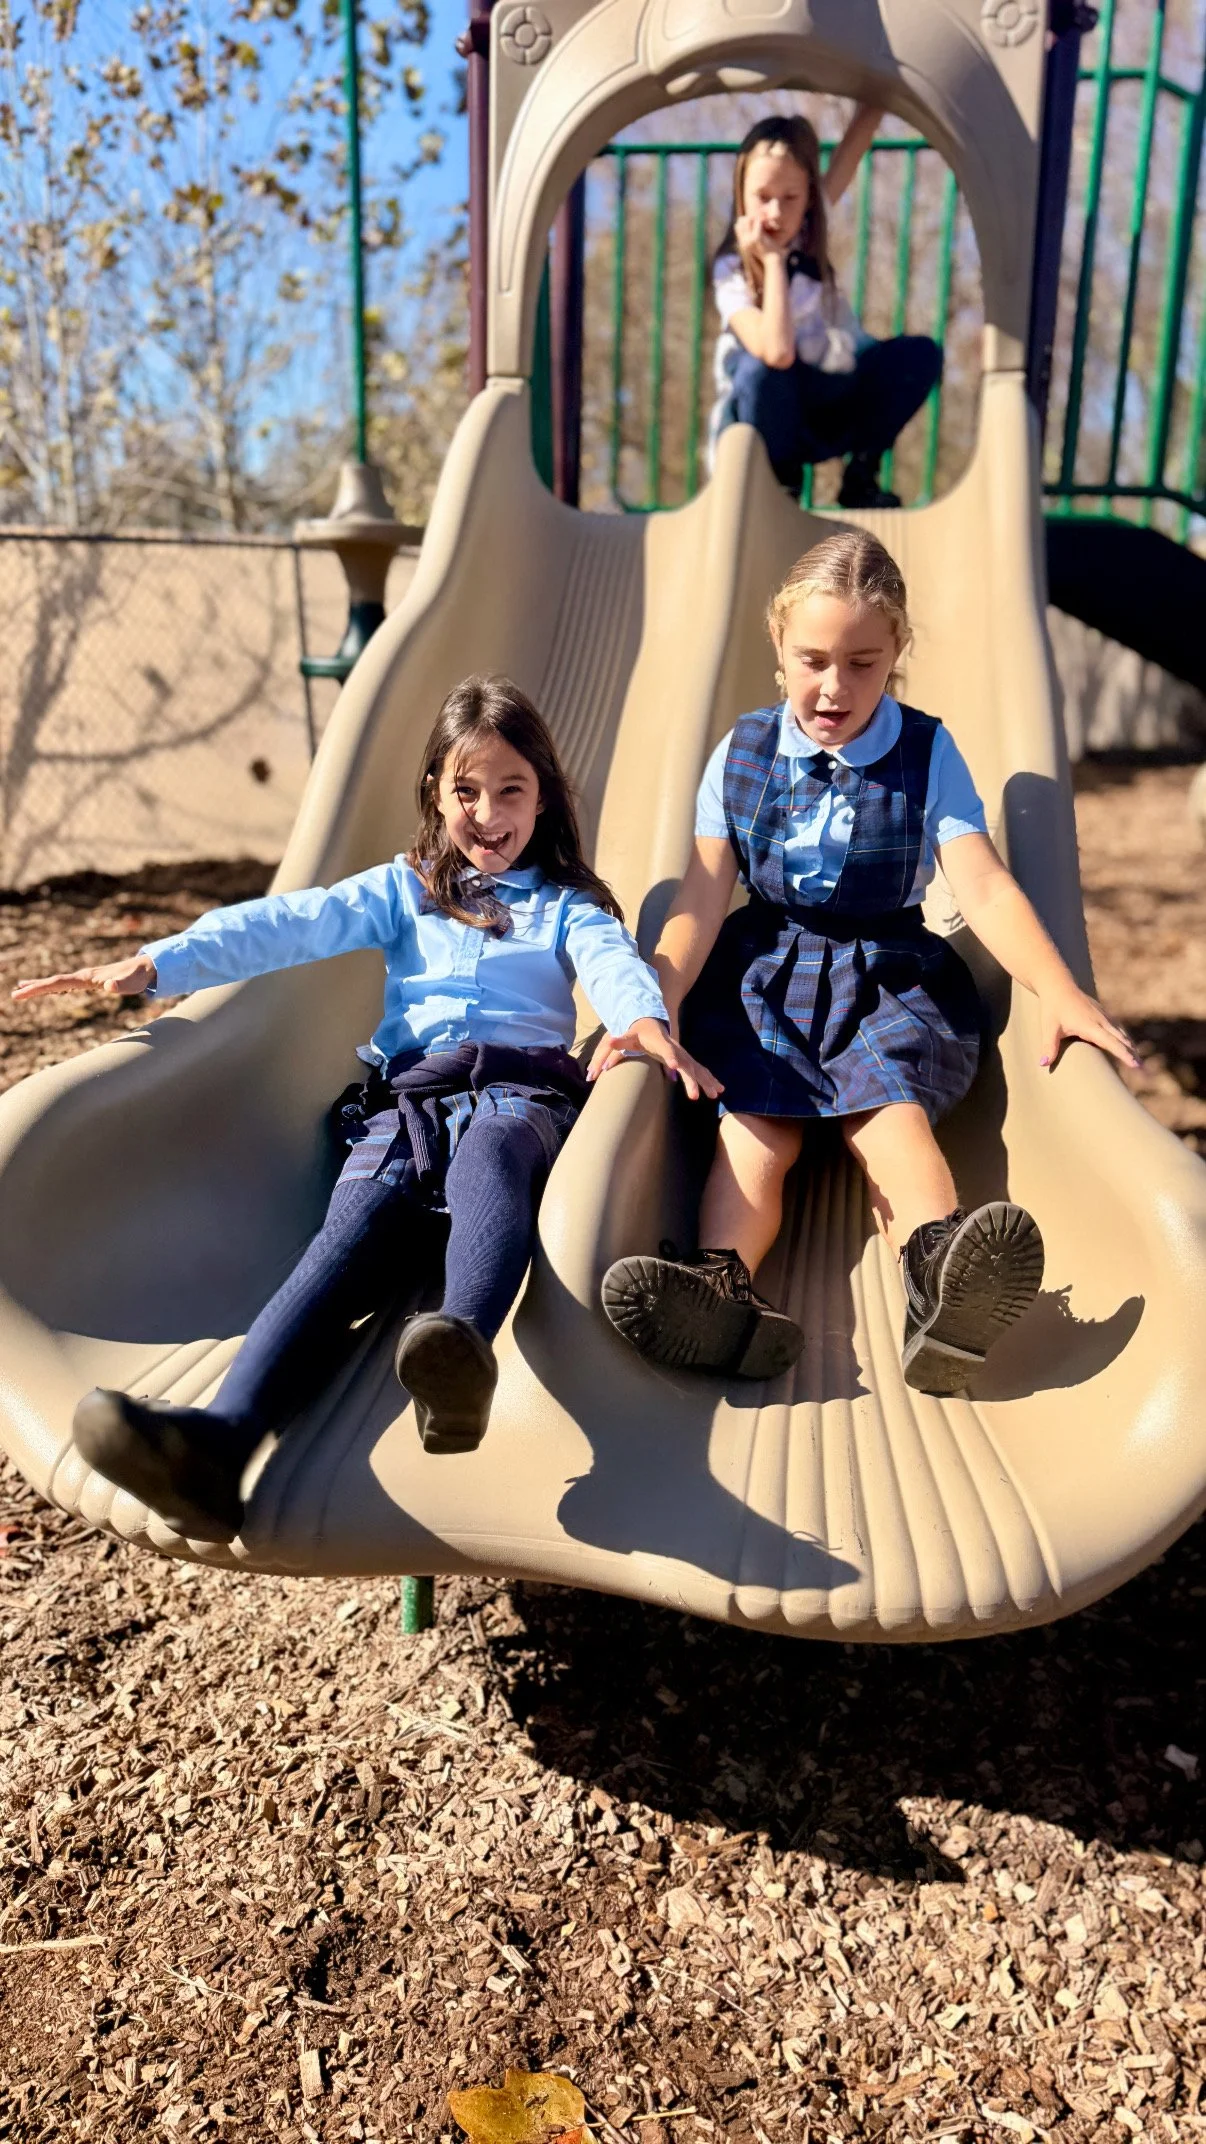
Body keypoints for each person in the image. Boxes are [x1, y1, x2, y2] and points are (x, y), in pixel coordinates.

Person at [11, 676, 718, 1544]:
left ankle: (459, 1352)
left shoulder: (566, 903)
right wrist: (159, 964)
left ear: (543, 800)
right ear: (434, 791)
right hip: (408, 1102)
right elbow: (287, 923)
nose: (487, 813)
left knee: (495, 1157)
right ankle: (219, 1450)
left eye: (510, 791)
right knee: (343, 1241)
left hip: (518, 1091)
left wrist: (642, 1020)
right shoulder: (406, 888)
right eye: (466, 790)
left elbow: (611, 961)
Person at [598, 531, 1140, 1395]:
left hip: (888, 969)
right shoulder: (740, 754)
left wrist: (1060, 986)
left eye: (862, 661)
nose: (834, 686)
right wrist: (651, 999)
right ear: (778, 646)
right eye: (814, 658)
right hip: (766, 973)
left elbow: (986, 888)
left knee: (889, 1114)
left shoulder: (926, 753)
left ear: (896, 655)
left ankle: (940, 1279)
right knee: (755, 1127)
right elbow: (700, 900)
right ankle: (720, 1291)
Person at [709, 112, 944, 508]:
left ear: (809, 200)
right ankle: (780, 482)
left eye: (791, 199)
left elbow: (853, 149)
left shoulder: (809, 232)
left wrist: (879, 91)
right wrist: (772, 263)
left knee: (919, 355)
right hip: (773, 418)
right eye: (762, 197)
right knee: (759, 369)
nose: (775, 213)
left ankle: (860, 476)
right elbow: (776, 352)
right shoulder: (730, 271)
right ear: (741, 193)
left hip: (828, 401)